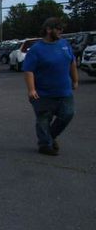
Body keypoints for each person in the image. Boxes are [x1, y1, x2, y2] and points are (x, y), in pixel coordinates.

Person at [23, 17, 78, 156]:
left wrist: (75, 80)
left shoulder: (65, 44)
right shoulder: (36, 49)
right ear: (48, 29)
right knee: (43, 119)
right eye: (58, 28)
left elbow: (72, 63)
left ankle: (49, 137)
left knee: (68, 114)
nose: (61, 31)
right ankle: (45, 145)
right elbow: (28, 70)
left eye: (61, 29)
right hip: (43, 93)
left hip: (64, 91)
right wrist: (31, 90)